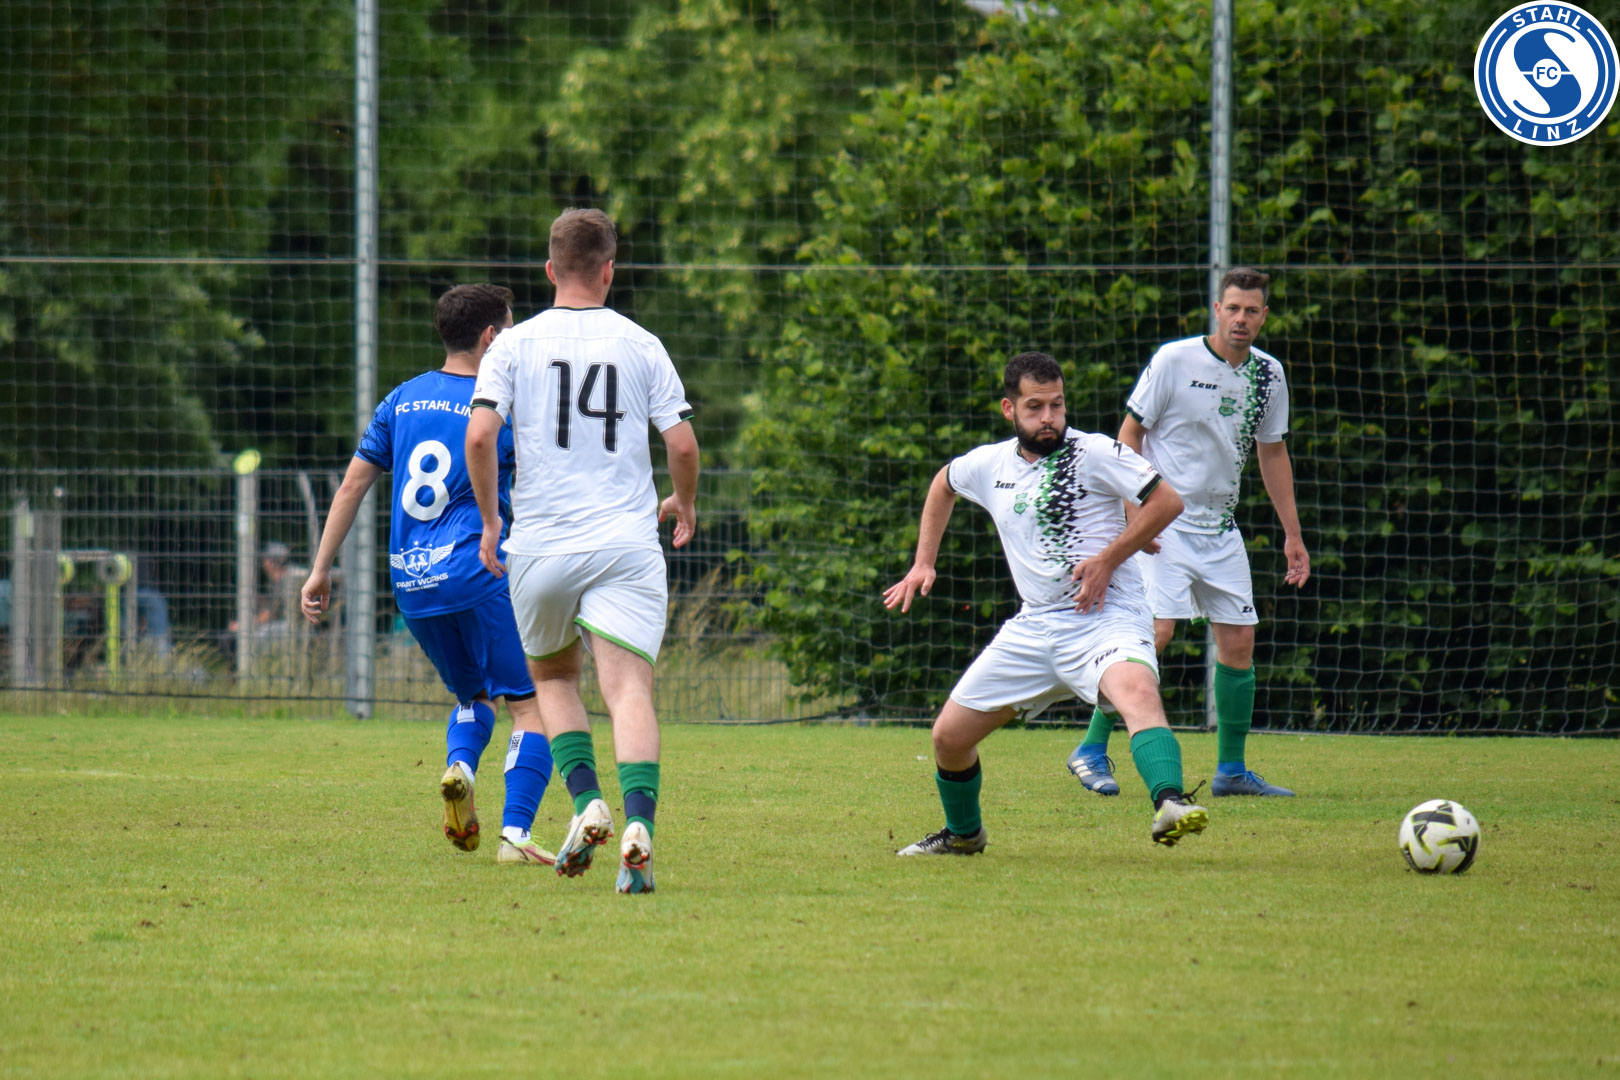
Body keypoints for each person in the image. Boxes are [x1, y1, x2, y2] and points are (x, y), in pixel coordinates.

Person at [884, 351, 1208, 853]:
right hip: (1035, 626)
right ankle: (964, 836)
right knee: (948, 737)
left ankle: (1170, 804)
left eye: (1057, 405)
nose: (1049, 418)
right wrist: (923, 562)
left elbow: (1167, 501)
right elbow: (943, 484)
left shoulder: (1095, 451)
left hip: (1105, 616)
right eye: (1035, 407)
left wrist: (1108, 559)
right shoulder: (989, 464)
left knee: (1138, 692)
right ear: (1009, 409)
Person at [466, 208, 699, 895]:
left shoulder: (513, 345)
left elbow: (479, 437)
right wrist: (684, 502)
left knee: (554, 681)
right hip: (625, 543)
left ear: (549, 270)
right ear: (609, 271)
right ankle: (639, 827)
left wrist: (490, 523)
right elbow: (682, 444)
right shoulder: (642, 343)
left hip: (541, 545)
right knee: (627, 689)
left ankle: (587, 801)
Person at [300, 283, 558, 866]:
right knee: (533, 703)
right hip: (479, 570)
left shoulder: (401, 399)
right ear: (491, 338)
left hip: (412, 584)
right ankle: (516, 835)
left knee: (473, 696)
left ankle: (461, 767)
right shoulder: (499, 406)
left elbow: (352, 485)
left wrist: (319, 569)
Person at [1065, 268, 1310, 799]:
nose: (1241, 318)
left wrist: (1292, 534)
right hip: (1164, 525)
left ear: (1264, 316)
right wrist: (1136, 514)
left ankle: (1231, 772)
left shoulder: (1269, 375)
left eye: (1252, 310)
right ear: (1217, 310)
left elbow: (1273, 453)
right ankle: (1090, 749)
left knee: (1239, 642)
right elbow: (1128, 435)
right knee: (1153, 635)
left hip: (1220, 528)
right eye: (1233, 308)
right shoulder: (1174, 360)